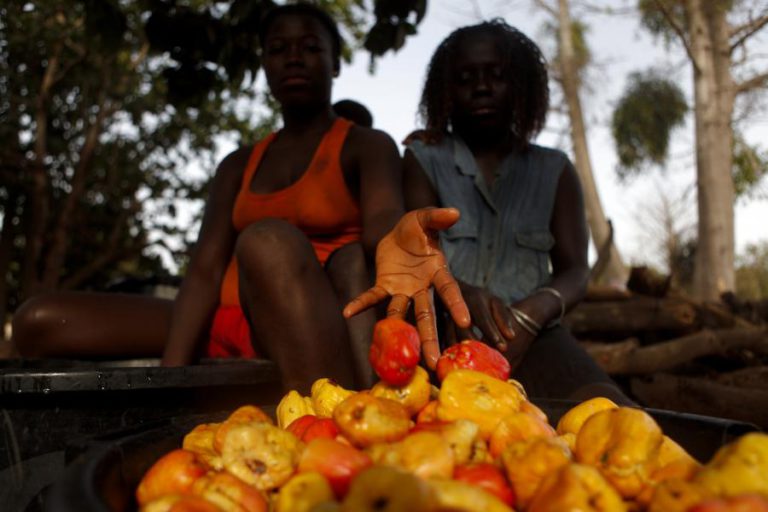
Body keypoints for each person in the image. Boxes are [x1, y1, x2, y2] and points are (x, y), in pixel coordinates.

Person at [11, 3, 468, 394]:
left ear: (334, 64)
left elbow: (382, 223)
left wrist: (401, 237)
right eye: (278, 50)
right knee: (39, 318)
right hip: (231, 321)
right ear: (264, 66)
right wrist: (171, 378)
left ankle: (332, 421)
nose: (294, 59)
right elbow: (205, 270)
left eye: (310, 48)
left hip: (313, 319)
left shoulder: (366, 145)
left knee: (267, 240)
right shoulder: (237, 163)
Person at [402, 20, 630, 403]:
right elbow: (412, 251)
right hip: (442, 331)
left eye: (498, 75)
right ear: (445, 91)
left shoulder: (554, 170)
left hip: (537, 334)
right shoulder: (423, 160)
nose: (482, 87)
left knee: (608, 409)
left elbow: (575, 270)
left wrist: (533, 312)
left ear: (522, 86)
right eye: (465, 77)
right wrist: (458, 293)